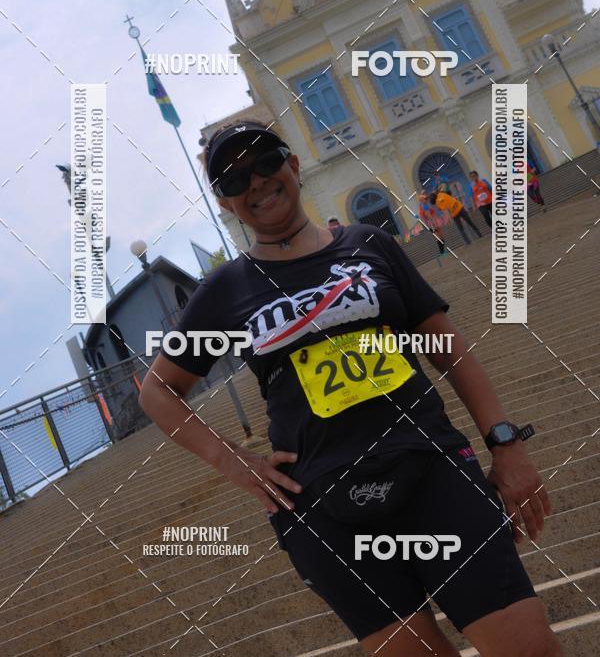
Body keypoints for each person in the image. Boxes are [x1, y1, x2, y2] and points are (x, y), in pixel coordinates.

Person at [139, 121, 560, 657]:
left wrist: (505, 443)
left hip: (431, 469)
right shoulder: (225, 290)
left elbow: (449, 351)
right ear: (225, 203)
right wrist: (234, 461)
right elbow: (157, 391)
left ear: (293, 165)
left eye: (266, 162)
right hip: (321, 508)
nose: (256, 181)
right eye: (234, 178)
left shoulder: (369, 244)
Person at [418, 191, 447, 256]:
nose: (426, 200)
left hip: (432, 223)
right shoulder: (424, 206)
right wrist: (432, 225)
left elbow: (430, 214)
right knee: (439, 236)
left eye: (426, 199)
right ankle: (442, 252)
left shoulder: (424, 206)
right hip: (431, 223)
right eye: (425, 199)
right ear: (422, 200)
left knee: (440, 236)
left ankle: (442, 251)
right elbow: (428, 216)